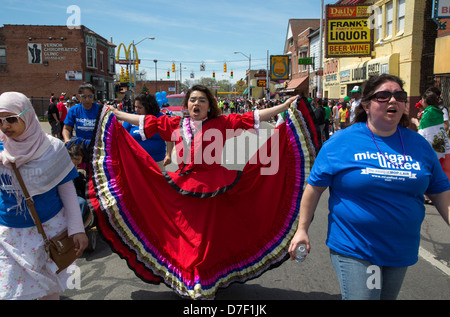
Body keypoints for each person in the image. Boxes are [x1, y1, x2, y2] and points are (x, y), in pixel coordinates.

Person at [88, 84, 320, 299]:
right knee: (189, 237)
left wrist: (285, 106)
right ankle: (193, 279)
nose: (195, 104)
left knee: (207, 240)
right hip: (185, 188)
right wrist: (113, 114)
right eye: (192, 100)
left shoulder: (223, 123)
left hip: (216, 188)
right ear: (186, 105)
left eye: (201, 100)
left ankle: (205, 279)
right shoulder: (175, 124)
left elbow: (255, 117)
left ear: (209, 105)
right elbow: (144, 121)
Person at [288, 74, 450, 300]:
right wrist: (302, 229)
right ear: (366, 104)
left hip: (399, 248)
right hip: (357, 246)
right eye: (383, 96)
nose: (392, 101)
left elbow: (439, 190)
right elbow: (314, 188)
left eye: (399, 96)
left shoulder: (419, 145)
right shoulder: (341, 142)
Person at [0, 92, 88, 300]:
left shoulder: (52, 148)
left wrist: (77, 229)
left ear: (27, 115)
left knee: (48, 289)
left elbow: (67, 191)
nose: (5, 126)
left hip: (47, 233)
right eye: (0, 121)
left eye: (11, 119)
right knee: (10, 292)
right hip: (9, 234)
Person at [122, 93, 174, 171]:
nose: (136, 110)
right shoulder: (130, 119)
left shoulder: (161, 118)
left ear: (149, 107)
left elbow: (169, 138)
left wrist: (168, 155)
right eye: (135, 107)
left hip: (157, 161)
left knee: (156, 183)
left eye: (140, 107)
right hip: (135, 160)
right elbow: (122, 137)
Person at [419, 89, 450, 183]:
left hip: (431, 147)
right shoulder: (438, 111)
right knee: (442, 171)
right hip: (442, 146)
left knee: (430, 170)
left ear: (425, 101)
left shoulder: (428, 114)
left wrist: (416, 122)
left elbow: (422, 133)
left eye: (422, 99)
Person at [62, 83, 102, 147]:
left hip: (96, 146)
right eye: (84, 97)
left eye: (90, 96)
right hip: (80, 146)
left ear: (94, 96)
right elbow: (66, 128)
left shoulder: (100, 110)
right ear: (79, 96)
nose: (87, 99)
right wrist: (67, 140)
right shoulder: (74, 110)